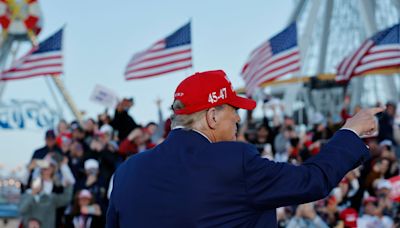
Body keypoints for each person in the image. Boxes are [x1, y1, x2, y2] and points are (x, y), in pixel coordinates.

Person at [107, 70, 383, 227]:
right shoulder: (234, 160)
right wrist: (350, 132)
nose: (239, 118)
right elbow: (313, 180)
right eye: (234, 110)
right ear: (212, 117)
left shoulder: (128, 171)